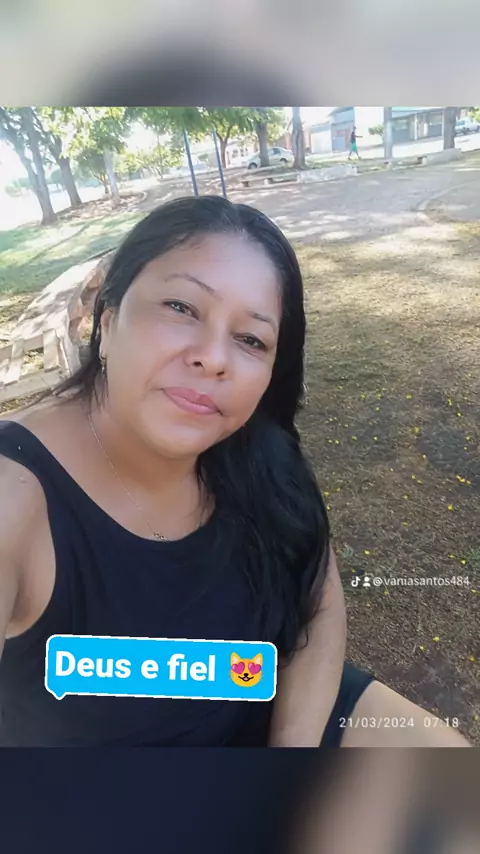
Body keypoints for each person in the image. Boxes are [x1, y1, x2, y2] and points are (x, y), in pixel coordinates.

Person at [0, 196, 470, 747]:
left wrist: (290, 756)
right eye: (181, 307)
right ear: (108, 317)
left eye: (251, 339)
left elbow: (316, 596)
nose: (215, 357)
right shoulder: (15, 497)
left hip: (281, 709)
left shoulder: (255, 446)